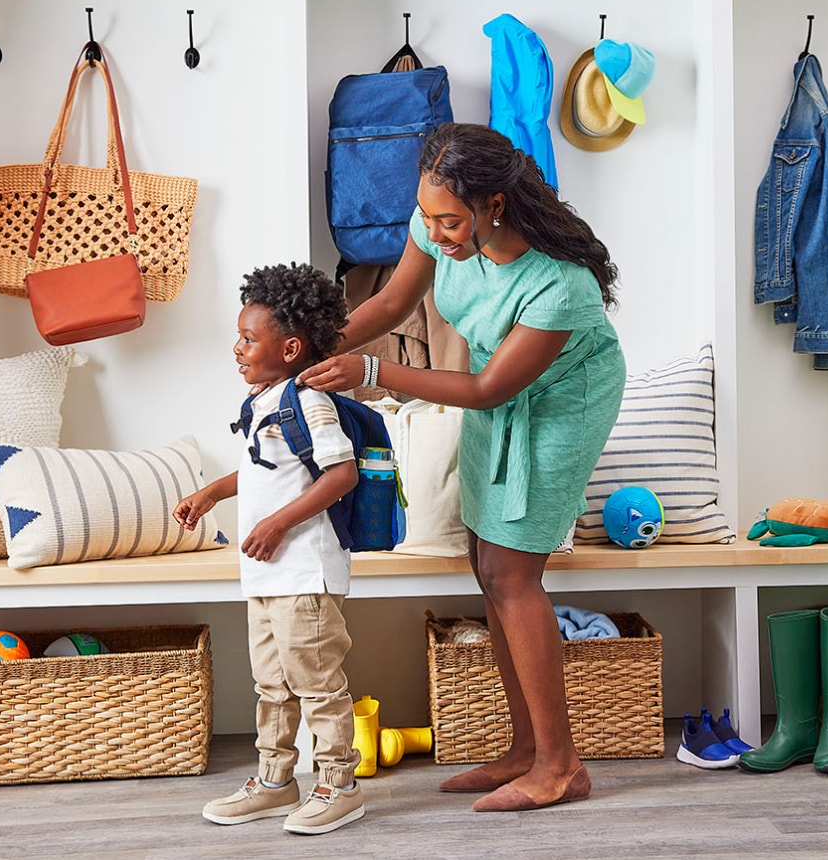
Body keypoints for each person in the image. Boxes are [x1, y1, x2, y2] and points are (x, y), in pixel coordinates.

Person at [300, 122, 626, 813]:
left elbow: (487, 392)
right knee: (487, 562)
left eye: (450, 222)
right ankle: (523, 749)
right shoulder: (436, 221)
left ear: (494, 205)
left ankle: (562, 765)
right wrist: (308, 351)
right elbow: (391, 303)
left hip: (563, 401)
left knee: (513, 571)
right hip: (494, 385)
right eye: (430, 216)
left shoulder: (559, 287)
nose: (437, 233)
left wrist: (371, 372)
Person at [173, 262, 366, 836]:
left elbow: (342, 475)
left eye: (247, 338)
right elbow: (261, 472)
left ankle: (339, 784)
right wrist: (213, 491)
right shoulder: (264, 399)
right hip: (266, 577)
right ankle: (277, 780)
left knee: (317, 683)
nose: (236, 347)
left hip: (304, 575)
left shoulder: (308, 400)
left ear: (289, 347)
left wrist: (279, 524)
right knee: (272, 685)